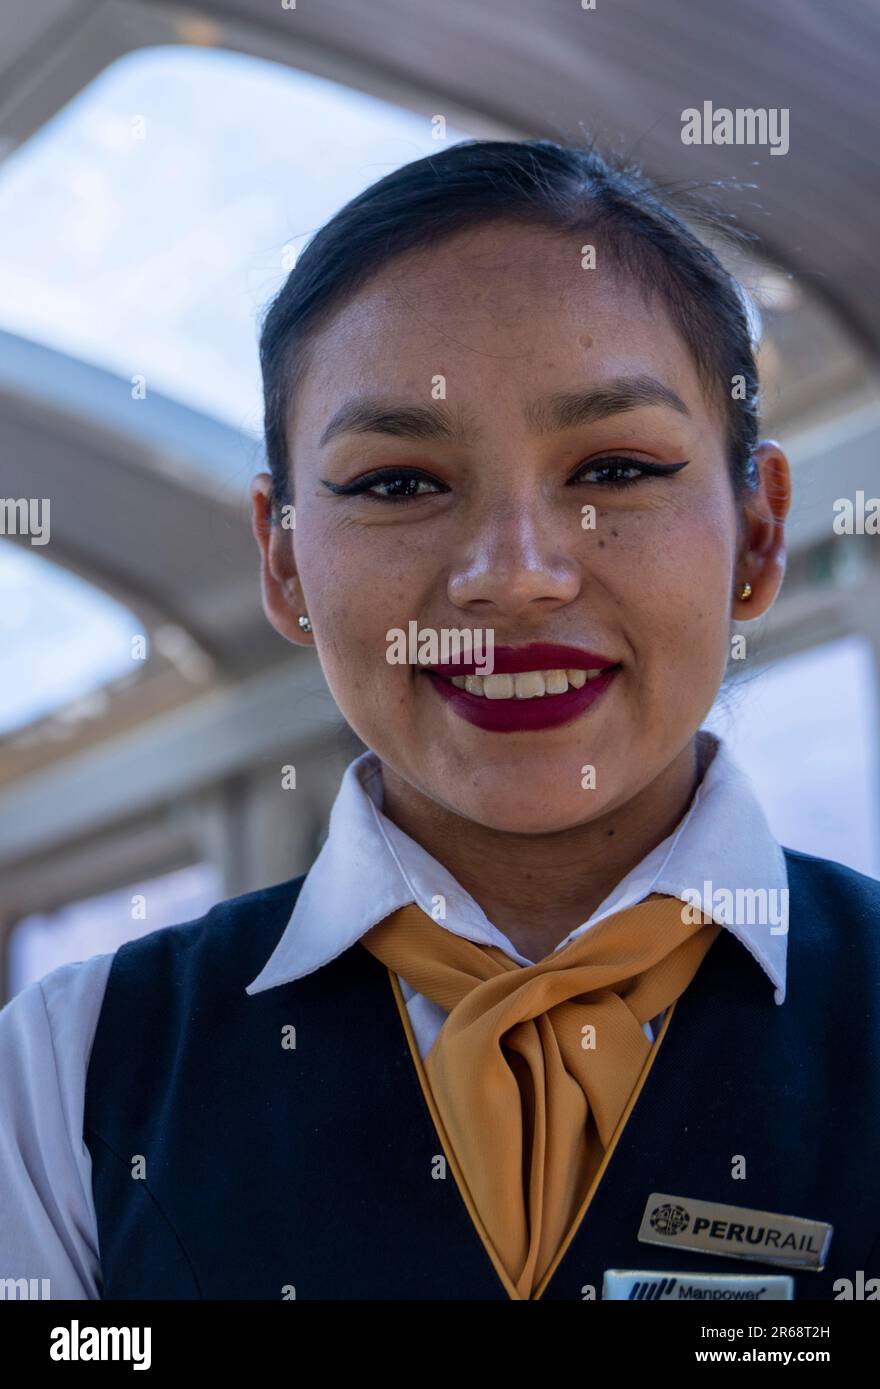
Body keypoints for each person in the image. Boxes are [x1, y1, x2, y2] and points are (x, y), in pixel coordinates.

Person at [1, 138, 878, 1302]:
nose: (512, 577)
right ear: (283, 562)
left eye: (615, 468)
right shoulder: (69, 1073)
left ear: (759, 535)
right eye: (398, 483)